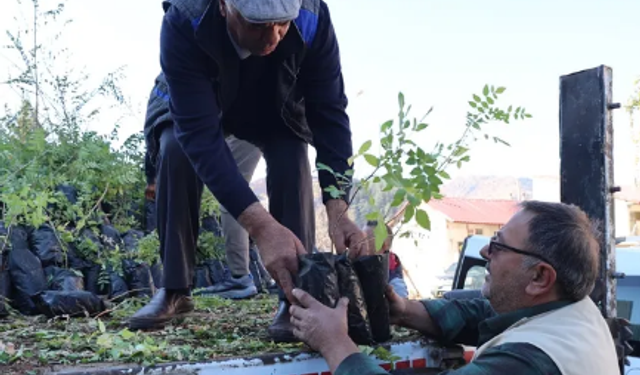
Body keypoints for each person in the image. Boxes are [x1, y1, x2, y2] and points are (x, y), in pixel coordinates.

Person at [129, 0, 368, 343]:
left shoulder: (312, 18)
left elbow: (329, 113)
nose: (272, 36)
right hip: (200, 96)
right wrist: (261, 227)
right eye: (258, 24)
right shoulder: (186, 19)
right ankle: (175, 288)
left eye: (282, 23)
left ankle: (295, 297)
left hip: (273, 100)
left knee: (291, 151)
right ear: (226, 6)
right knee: (176, 148)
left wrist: (338, 206)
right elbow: (200, 137)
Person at [289, 201, 620, 374]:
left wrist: (334, 343)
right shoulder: (574, 313)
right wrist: (406, 311)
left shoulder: (529, 361)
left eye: (498, 245)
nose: (485, 252)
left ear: (539, 278)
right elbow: (484, 312)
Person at [141, 85, 264, 301]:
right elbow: (161, 126)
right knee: (234, 190)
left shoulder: (170, 86)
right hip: (241, 114)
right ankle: (280, 277)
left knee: (232, 195)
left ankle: (240, 278)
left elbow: (156, 128)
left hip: (244, 116)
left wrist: (151, 178)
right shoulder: (174, 81)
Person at [363, 220, 409, 298]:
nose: (359, 243)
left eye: (366, 240)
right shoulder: (367, 265)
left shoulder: (394, 283)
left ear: (384, 245)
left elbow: (402, 305)